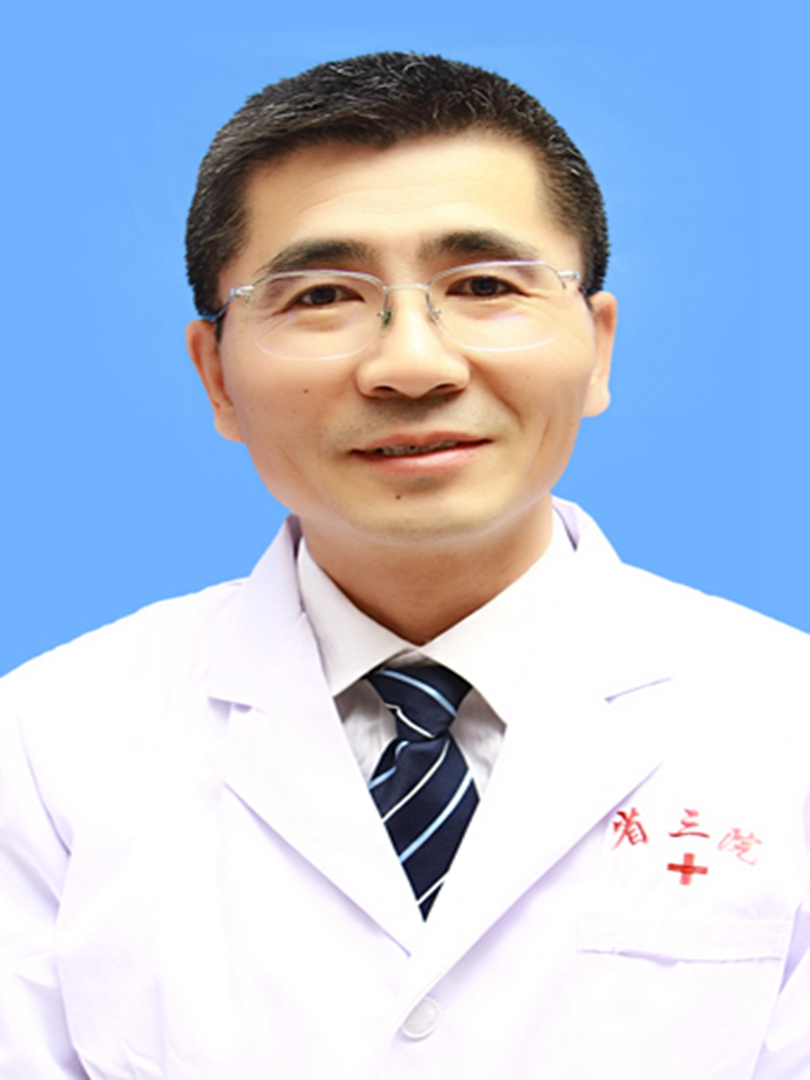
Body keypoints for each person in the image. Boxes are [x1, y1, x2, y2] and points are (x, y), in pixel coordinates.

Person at [1, 51, 808, 1080]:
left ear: (598, 347)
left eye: (485, 285)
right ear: (218, 378)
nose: (412, 365)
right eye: (322, 295)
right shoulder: (45, 747)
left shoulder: (787, 724)